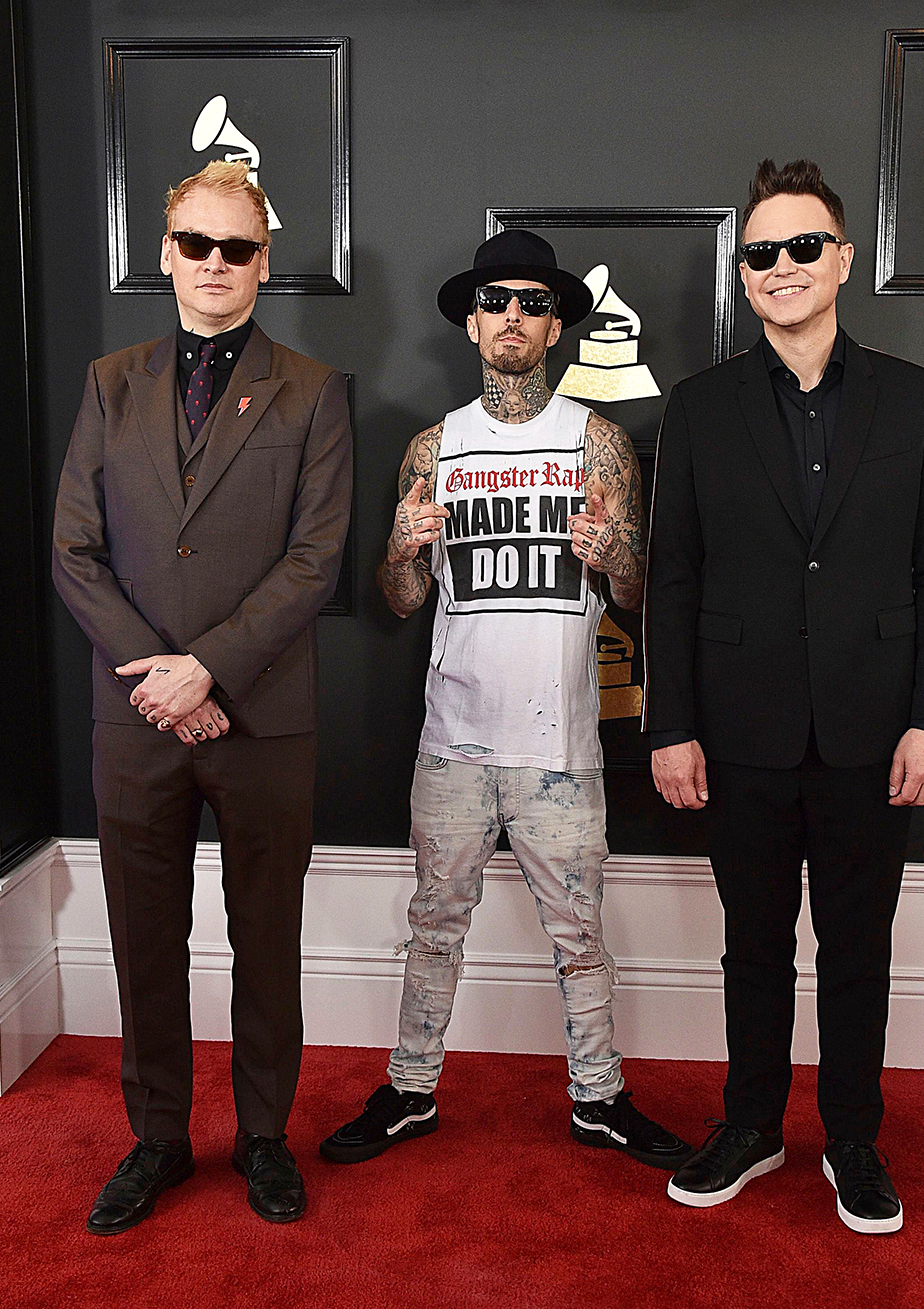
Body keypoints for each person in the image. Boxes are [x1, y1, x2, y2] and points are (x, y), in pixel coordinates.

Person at [320, 229, 692, 1171]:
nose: (513, 316)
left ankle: (599, 1098)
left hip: (559, 744)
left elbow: (640, 595)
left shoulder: (596, 442)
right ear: (473, 323)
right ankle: (411, 1090)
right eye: (496, 302)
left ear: (557, 323)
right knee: (433, 926)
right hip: (452, 739)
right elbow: (401, 604)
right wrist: (401, 551)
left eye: (531, 301)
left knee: (581, 937)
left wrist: (617, 561)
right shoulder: (433, 448)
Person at [644, 159, 924, 1233]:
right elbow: (673, 575)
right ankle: (749, 1122)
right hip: (736, 730)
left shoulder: (915, 399)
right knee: (752, 943)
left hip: (877, 730)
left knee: (857, 947)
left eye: (800, 247)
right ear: (744, 275)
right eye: (760, 253)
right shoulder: (695, 409)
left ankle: (852, 1136)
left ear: (839, 259)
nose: (780, 267)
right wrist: (671, 725)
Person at [53, 161, 352, 1232]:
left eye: (238, 248)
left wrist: (209, 670)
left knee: (265, 936)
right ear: (166, 253)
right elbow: (74, 553)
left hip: (264, 720)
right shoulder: (108, 381)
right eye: (197, 244)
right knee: (145, 938)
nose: (215, 265)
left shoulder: (314, 390)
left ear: (264, 261)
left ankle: (265, 1136)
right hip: (133, 719)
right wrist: (166, 683)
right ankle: (160, 1140)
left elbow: (315, 563)